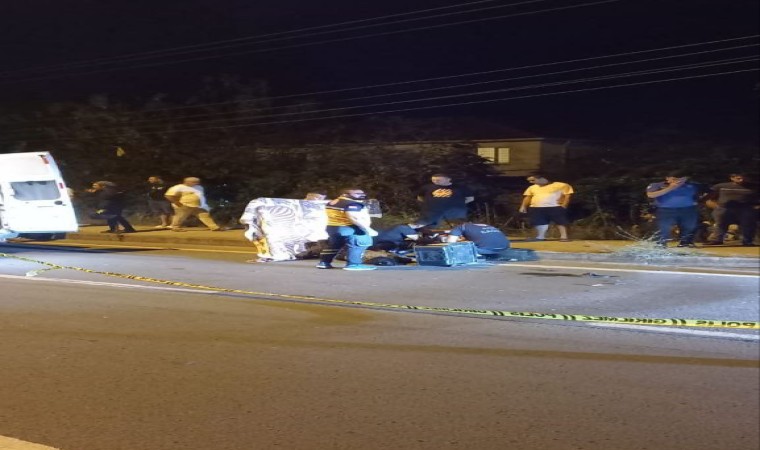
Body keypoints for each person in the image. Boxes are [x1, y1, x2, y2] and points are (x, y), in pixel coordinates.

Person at [317, 187, 379, 271]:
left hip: (333, 227)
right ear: (345, 194)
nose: (362, 195)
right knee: (359, 243)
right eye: (357, 194)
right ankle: (353, 264)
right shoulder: (352, 204)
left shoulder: (333, 202)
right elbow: (354, 218)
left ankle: (324, 262)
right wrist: (368, 229)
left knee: (334, 245)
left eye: (362, 193)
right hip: (349, 227)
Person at [645, 171, 702, 248]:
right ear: (667, 178)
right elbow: (651, 195)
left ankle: (686, 243)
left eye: (680, 179)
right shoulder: (658, 185)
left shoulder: (691, 186)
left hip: (687, 210)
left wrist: (698, 202)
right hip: (666, 210)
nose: (678, 181)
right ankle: (660, 243)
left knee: (689, 226)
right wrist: (670, 188)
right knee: (663, 227)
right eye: (674, 179)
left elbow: (702, 194)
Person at [705, 173, 758, 246]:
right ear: (732, 178)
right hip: (724, 208)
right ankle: (717, 240)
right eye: (738, 178)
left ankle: (748, 241)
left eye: (743, 178)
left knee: (748, 224)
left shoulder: (754, 187)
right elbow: (709, 197)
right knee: (720, 224)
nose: (741, 180)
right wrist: (716, 207)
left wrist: (756, 207)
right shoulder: (721, 186)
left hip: (745, 209)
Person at [519, 173, 573, 241]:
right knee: (540, 222)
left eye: (533, 180)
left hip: (555, 206)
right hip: (537, 207)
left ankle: (564, 237)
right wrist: (523, 206)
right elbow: (528, 197)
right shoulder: (532, 187)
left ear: (542, 178)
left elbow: (567, 196)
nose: (531, 182)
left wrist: (564, 205)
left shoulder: (561, 185)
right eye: (530, 181)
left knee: (560, 221)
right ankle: (540, 237)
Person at [445, 220, 510, 256]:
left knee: (457, 249)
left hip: (487, 250)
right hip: (505, 248)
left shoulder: (460, 227)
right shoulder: (486, 225)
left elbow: (450, 244)